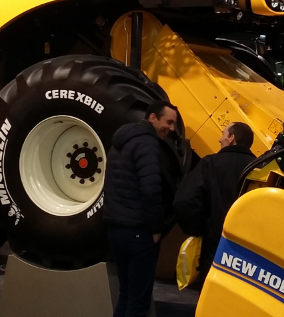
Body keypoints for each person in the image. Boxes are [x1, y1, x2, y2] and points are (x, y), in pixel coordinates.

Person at [103, 100, 178, 317]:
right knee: (138, 302)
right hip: (138, 232)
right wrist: (156, 228)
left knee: (126, 294)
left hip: (115, 229)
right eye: (168, 122)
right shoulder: (147, 143)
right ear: (153, 117)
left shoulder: (121, 140)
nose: (171, 128)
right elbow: (151, 189)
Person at [173, 122, 257, 287]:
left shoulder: (210, 164)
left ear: (232, 138)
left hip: (213, 249)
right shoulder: (259, 168)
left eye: (223, 134)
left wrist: (198, 229)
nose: (220, 139)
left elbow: (184, 201)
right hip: (248, 257)